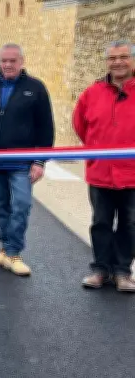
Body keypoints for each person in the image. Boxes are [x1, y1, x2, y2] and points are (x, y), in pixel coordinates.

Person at [0, 43, 54, 277]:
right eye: (3, 61)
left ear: (21, 61)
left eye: (12, 61)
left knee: (22, 205)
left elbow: (46, 128)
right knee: (2, 206)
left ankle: (14, 252)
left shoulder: (35, 88)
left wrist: (40, 161)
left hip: (21, 163)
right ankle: (5, 249)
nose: (7, 65)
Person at [73, 40, 135, 291]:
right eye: (112, 58)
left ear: (132, 59)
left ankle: (122, 272)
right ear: (106, 62)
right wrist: (97, 149)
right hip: (100, 172)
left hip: (132, 175)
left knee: (130, 224)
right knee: (100, 223)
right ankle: (100, 269)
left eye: (123, 57)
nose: (118, 62)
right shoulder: (92, 92)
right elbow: (80, 125)